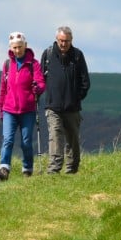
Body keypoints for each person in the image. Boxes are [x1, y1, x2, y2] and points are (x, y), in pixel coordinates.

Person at [0, 31, 45, 181]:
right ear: (11, 48)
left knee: (26, 142)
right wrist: (1, 109)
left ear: (25, 45)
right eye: (14, 48)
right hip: (9, 109)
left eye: (20, 47)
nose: (17, 50)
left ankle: (27, 169)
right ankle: (4, 168)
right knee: (8, 140)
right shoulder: (7, 64)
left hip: (27, 110)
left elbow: (41, 82)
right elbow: (3, 88)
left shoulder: (33, 64)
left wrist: (38, 88)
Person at [41, 25, 90, 174]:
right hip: (53, 106)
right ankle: (54, 169)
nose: (64, 44)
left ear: (71, 40)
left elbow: (85, 81)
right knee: (55, 136)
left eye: (67, 41)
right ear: (57, 39)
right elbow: (41, 78)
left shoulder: (77, 55)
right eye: (61, 40)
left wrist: (76, 97)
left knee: (72, 139)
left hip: (72, 107)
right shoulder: (48, 54)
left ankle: (72, 169)